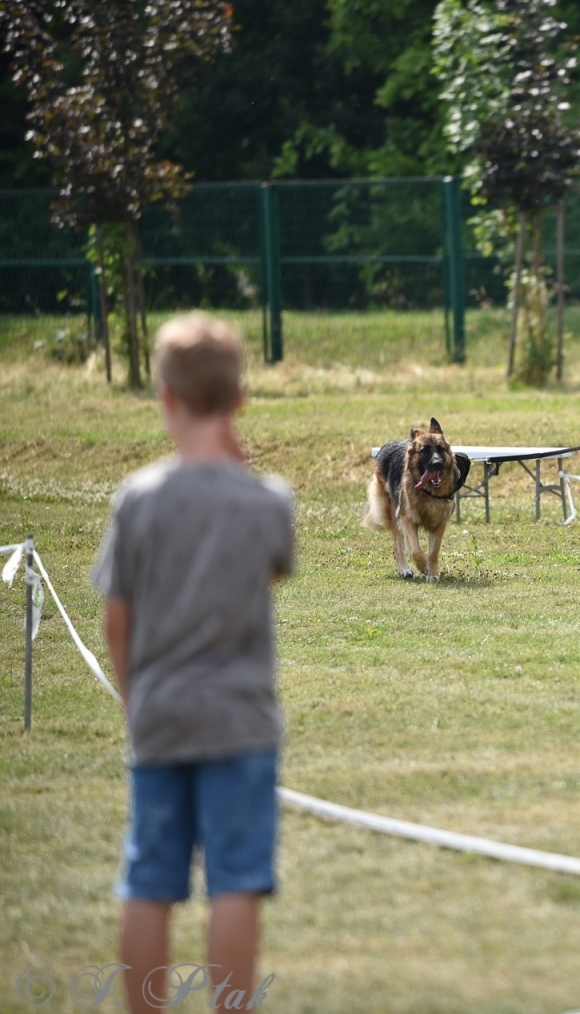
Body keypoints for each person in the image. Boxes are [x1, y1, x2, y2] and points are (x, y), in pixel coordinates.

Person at [93, 313, 295, 1014]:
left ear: (165, 398)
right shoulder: (267, 501)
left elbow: (117, 618)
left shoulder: (136, 500)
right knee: (236, 882)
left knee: (149, 882)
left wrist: (134, 698)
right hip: (240, 720)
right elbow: (268, 575)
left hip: (159, 714)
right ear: (240, 401)